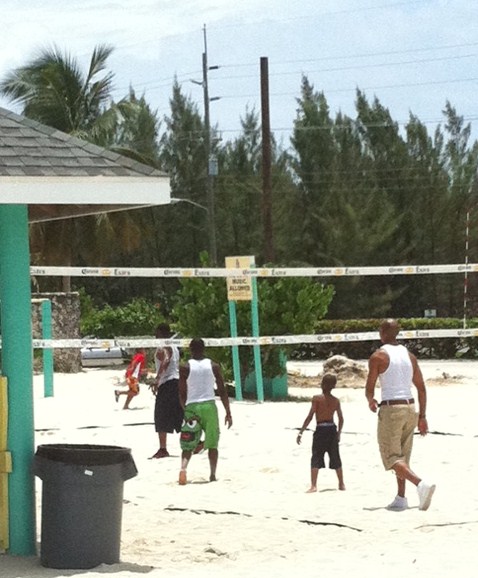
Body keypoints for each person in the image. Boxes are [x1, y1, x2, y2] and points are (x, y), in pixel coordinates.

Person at [365, 318, 436, 511]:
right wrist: (422, 416)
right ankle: (401, 497)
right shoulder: (409, 356)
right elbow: (421, 388)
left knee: (391, 455)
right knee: (403, 455)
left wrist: (370, 400)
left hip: (391, 408)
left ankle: (420, 483)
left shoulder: (379, 356)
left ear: (384, 332)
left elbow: (370, 387)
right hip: (410, 407)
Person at [177, 338, 232, 485]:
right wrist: (228, 411)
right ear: (204, 348)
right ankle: (213, 474)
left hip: (192, 405)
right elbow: (222, 389)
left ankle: (183, 468)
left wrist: (185, 410)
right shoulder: (213, 365)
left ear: (190, 349)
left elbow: (181, 392)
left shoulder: (185, 366)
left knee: (188, 443)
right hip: (209, 406)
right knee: (213, 443)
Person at [296, 373, 345, 493]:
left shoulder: (317, 398)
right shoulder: (335, 400)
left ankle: (313, 486)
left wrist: (301, 432)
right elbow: (341, 419)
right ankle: (341, 483)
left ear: (322, 384)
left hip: (321, 429)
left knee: (316, 456)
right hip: (332, 429)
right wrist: (338, 433)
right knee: (335, 456)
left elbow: (310, 416)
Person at [150, 323, 183, 458]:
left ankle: (163, 449)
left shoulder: (164, 345)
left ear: (160, 333)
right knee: (179, 414)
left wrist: (157, 379)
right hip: (176, 381)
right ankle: (196, 441)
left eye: (156, 333)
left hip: (168, 383)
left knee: (161, 415)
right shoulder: (174, 345)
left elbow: (166, 359)